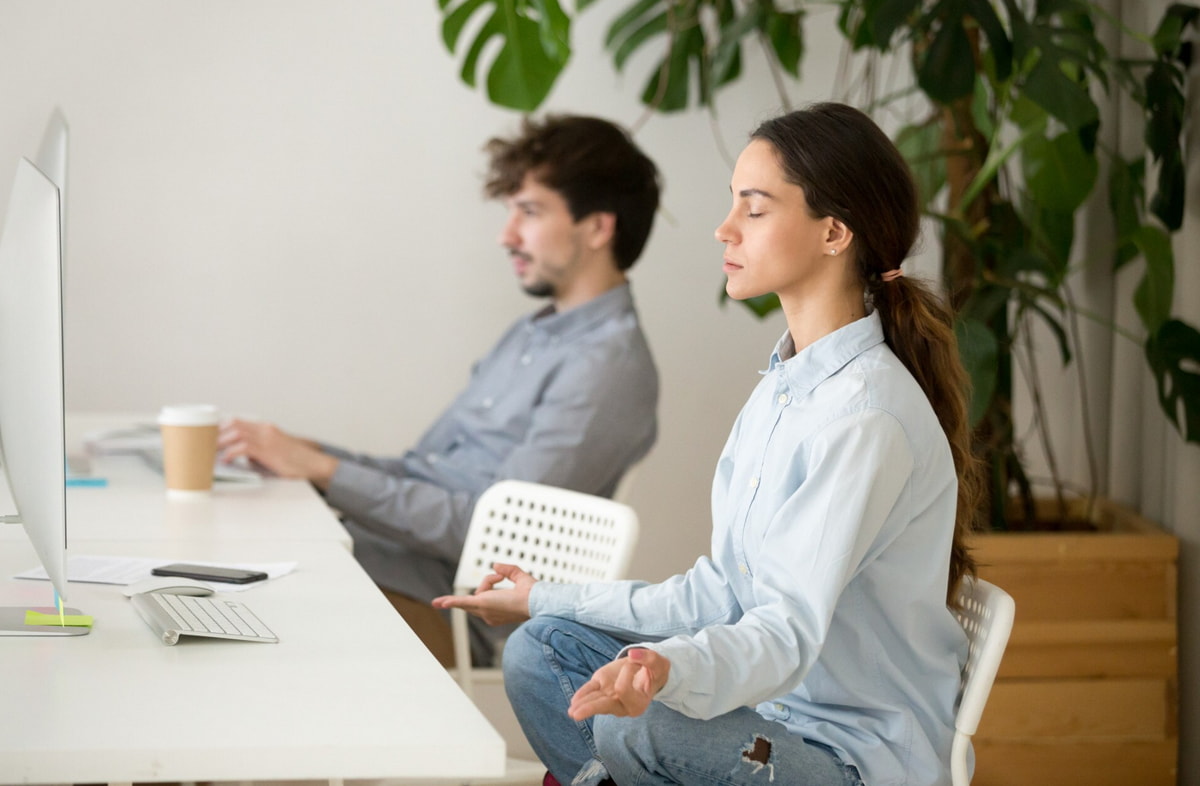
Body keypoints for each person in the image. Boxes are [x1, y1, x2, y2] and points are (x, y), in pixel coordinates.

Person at [433, 102, 984, 786]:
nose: (724, 229)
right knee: (540, 649)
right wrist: (543, 596)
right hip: (767, 714)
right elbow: (718, 593)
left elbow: (783, 634)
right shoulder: (785, 387)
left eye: (754, 209)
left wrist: (668, 672)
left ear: (834, 232)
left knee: (647, 726)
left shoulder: (865, 417)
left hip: (843, 757)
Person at [219, 114, 661, 668]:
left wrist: (324, 472)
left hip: (450, 612)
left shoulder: (607, 369)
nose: (507, 236)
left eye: (529, 211)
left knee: (249, 602)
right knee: (222, 553)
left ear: (597, 228)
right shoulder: (532, 334)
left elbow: (497, 539)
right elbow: (421, 470)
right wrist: (303, 455)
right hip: (390, 563)